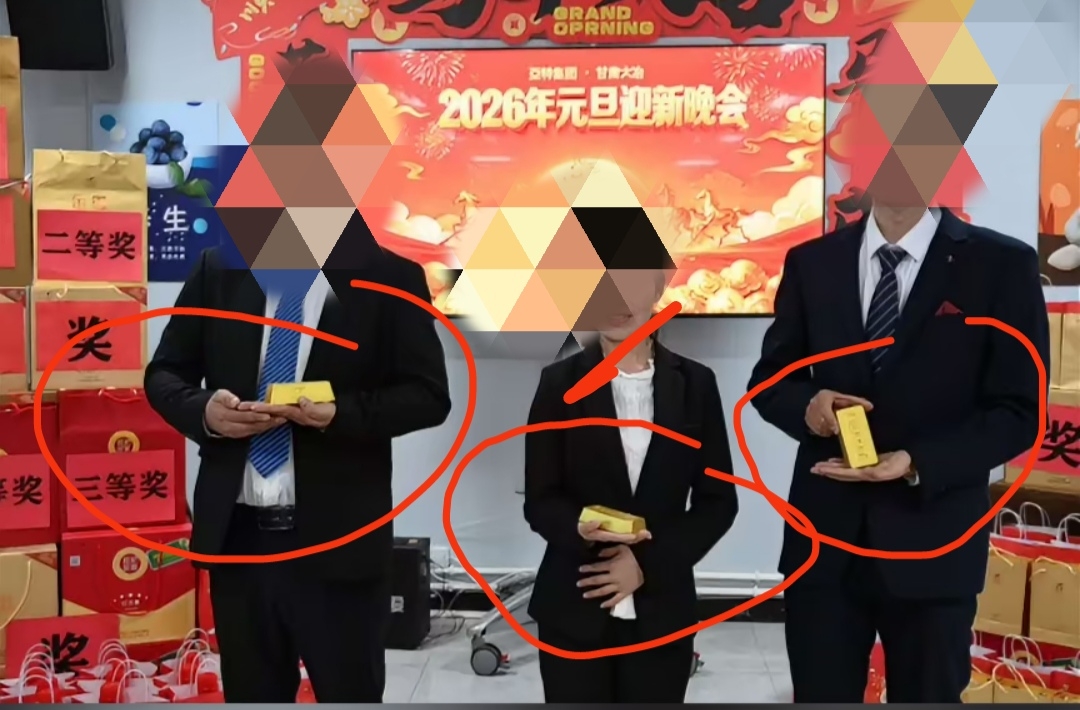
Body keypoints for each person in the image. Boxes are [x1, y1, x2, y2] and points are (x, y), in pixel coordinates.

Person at [747, 202, 1049, 702]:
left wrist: (917, 462)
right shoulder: (812, 261)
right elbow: (771, 381)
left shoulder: (1001, 263)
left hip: (935, 546)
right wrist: (809, 406)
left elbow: (1020, 412)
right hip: (824, 547)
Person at [144, 240, 451, 703]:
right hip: (240, 541)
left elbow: (428, 395)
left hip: (338, 543)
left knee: (350, 692)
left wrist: (340, 413)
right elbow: (165, 372)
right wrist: (204, 411)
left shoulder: (390, 276)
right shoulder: (221, 269)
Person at [523, 268, 739, 703]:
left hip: (662, 610)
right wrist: (578, 528)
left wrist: (646, 565)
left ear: (658, 287)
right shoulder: (558, 383)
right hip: (575, 604)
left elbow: (717, 503)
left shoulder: (696, 385)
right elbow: (541, 498)